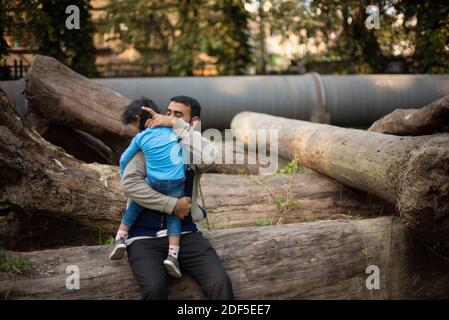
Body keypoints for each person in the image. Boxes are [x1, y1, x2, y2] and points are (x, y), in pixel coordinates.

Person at [121, 95, 234, 300]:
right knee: (154, 288)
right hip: (143, 236)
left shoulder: (191, 148)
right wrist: (172, 205)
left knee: (220, 283)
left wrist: (177, 125)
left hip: (186, 234)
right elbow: (129, 184)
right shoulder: (152, 143)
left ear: (193, 122)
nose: (168, 117)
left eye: (178, 115)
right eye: (168, 112)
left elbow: (209, 158)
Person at [109, 97, 185, 279]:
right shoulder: (173, 130)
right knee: (175, 214)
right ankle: (173, 256)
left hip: (155, 181)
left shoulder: (141, 138)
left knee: (136, 200)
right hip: (176, 181)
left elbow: (123, 159)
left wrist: (122, 172)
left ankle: (120, 237)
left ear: (137, 119)